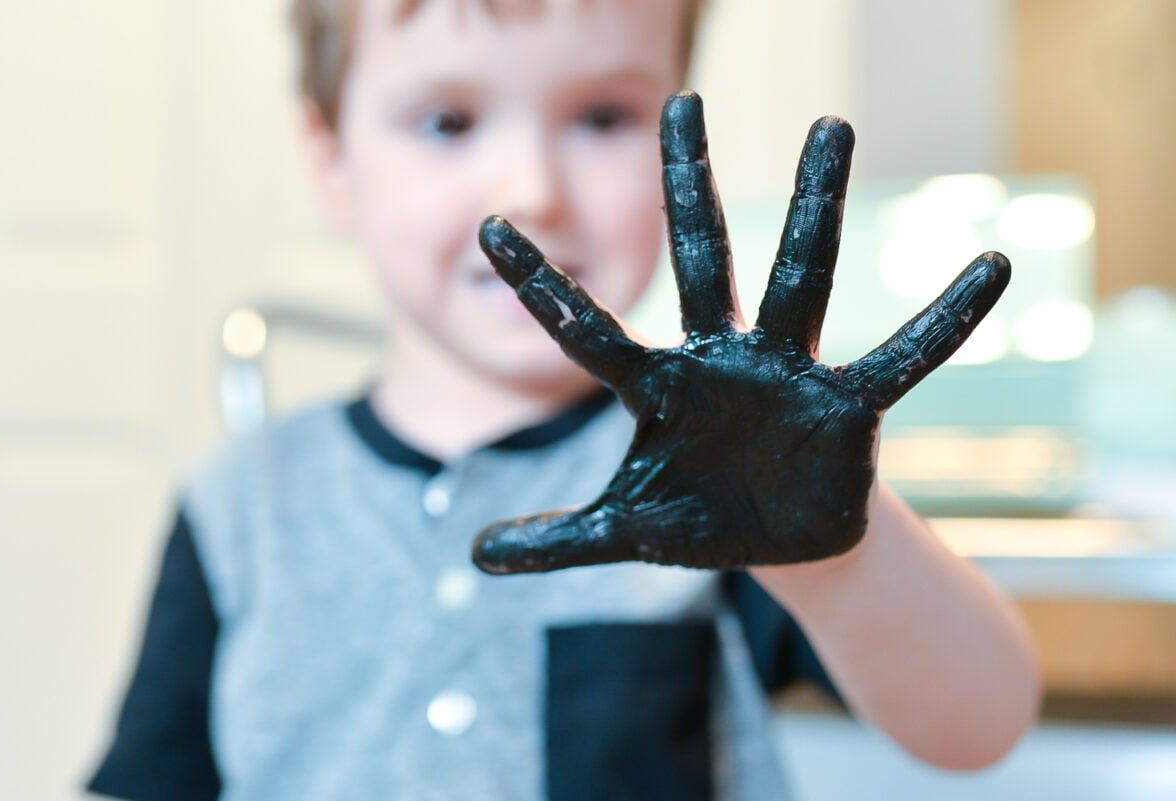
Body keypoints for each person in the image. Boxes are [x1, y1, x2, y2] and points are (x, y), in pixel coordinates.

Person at [87, 1, 1039, 799]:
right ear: (331, 159)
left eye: (602, 117)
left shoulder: (731, 466)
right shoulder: (241, 504)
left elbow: (981, 723)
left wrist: (841, 553)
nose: (531, 189)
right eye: (448, 122)